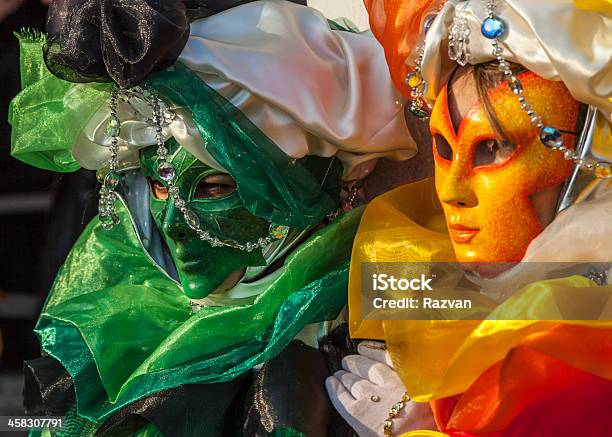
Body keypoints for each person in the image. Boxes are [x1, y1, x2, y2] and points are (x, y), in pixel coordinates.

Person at [9, 1, 416, 435]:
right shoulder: (122, 289)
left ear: (314, 178)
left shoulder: (397, 283)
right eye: (160, 185)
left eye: (214, 188)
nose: (173, 225)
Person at [326, 0, 612, 435]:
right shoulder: (421, 280)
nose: (451, 190)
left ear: (594, 161)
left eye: (493, 146)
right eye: (442, 147)